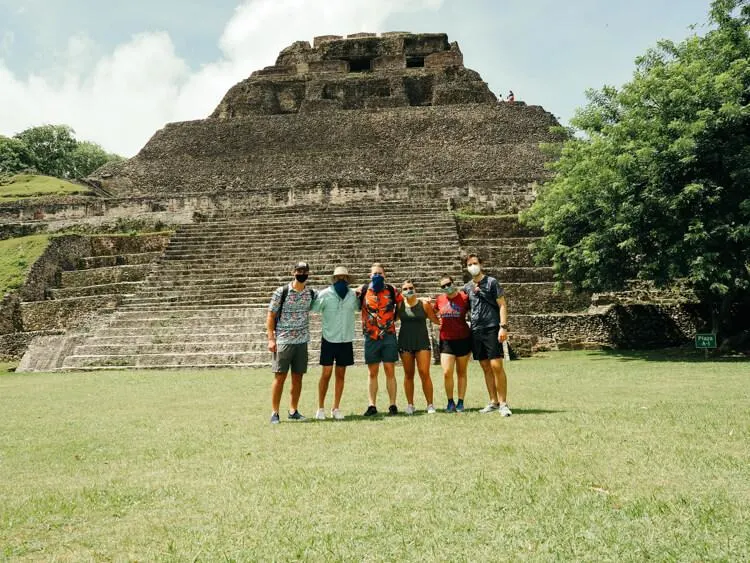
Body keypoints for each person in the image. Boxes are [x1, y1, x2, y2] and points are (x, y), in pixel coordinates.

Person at [267, 261, 316, 424]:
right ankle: (275, 412)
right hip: (284, 340)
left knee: (298, 378)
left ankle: (293, 410)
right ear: (293, 272)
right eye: (299, 270)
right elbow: (271, 316)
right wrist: (271, 339)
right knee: (279, 377)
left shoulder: (310, 293)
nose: (302, 273)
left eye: (304, 271)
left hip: (302, 341)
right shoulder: (281, 292)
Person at [464, 254, 512, 416]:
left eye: (475, 263)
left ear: (481, 264)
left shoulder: (492, 282)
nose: (472, 266)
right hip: (476, 330)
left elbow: (502, 305)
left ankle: (503, 403)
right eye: (469, 264)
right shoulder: (467, 287)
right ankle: (493, 401)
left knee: (496, 366)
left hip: (491, 327)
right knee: (485, 367)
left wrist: (503, 327)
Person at [310, 266, 359, 420]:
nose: (341, 280)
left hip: (345, 339)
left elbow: (359, 308)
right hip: (329, 338)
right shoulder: (325, 294)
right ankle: (320, 408)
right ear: (334, 279)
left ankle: (336, 407)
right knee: (326, 374)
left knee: (341, 374)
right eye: (339, 278)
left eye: (344, 278)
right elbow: (313, 308)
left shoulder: (352, 295)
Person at [359, 263, 403, 416]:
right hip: (371, 336)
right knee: (372, 372)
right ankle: (372, 405)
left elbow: (401, 303)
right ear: (370, 275)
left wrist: (394, 319)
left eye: (380, 273)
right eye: (375, 273)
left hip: (388, 335)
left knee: (390, 370)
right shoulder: (363, 290)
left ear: (385, 275)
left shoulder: (392, 290)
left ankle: (392, 404)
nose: (377, 275)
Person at [397, 280, 440, 415]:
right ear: (402, 291)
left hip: (422, 342)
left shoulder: (424, 304)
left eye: (411, 288)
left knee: (424, 373)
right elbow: (391, 319)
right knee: (408, 374)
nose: (408, 290)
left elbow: (436, 319)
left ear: (415, 289)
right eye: (405, 288)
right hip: (405, 343)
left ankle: (430, 404)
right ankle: (410, 405)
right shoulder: (399, 306)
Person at [434, 274, 472, 413]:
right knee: (447, 372)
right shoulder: (440, 299)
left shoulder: (464, 298)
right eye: (443, 286)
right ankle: (450, 402)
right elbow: (432, 311)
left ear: (453, 283)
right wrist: (438, 322)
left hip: (463, 338)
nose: (447, 287)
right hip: (446, 340)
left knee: (461, 372)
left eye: (448, 284)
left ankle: (460, 402)